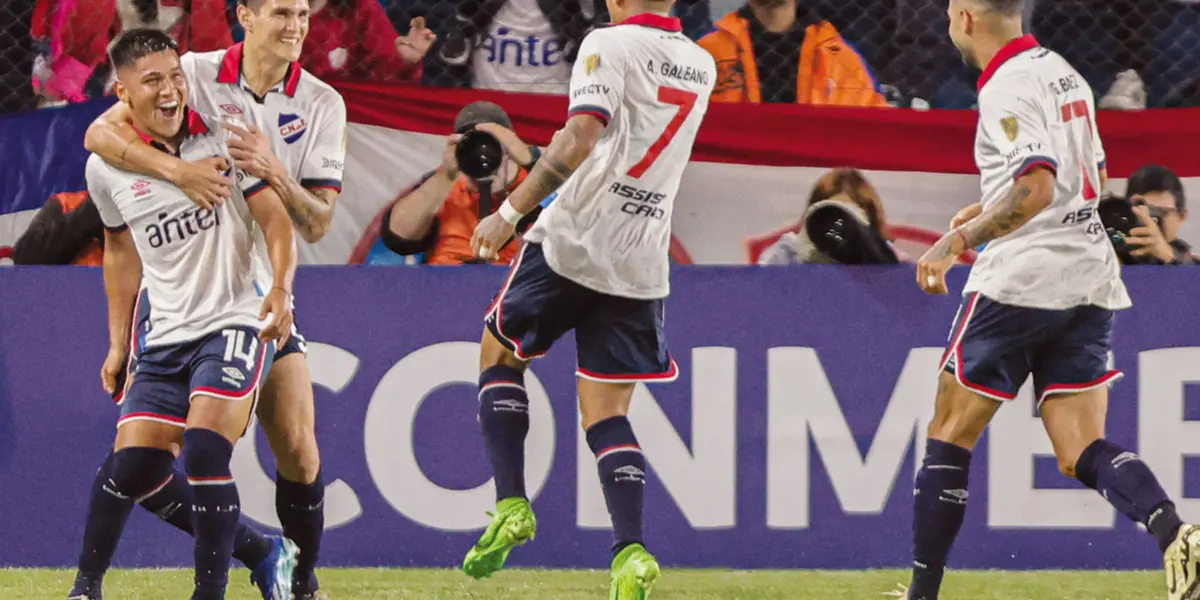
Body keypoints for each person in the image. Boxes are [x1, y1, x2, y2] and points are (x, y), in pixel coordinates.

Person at [906, 1, 1200, 599]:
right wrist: (988, 205)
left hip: (1023, 279)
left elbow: (1037, 187)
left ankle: (921, 595)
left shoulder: (1005, 87)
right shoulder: (1061, 70)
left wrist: (958, 239)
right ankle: (1177, 535)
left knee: (949, 430)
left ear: (965, 17)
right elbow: (1073, 175)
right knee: (1079, 448)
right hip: (1087, 278)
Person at [82, 2, 347, 597]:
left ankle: (301, 583)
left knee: (300, 454)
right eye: (281, 11)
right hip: (186, 306)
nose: (296, 25)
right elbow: (100, 133)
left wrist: (274, 171)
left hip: (256, 295)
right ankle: (259, 555)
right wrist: (178, 175)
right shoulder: (195, 71)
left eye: (303, 13)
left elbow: (317, 223)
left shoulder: (324, 103)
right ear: (244, 16)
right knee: (148, 461)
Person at [463, 0, 715, 597]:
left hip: (575, 241)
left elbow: (581, 136)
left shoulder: (610, 43)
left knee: (499, 355)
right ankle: (630, 550)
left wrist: (508, 212)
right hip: (641, 260)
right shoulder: (701, 64)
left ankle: (511, 504)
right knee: (607, 414)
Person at [380, 101, 544, 265]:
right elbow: (398, 238)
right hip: (449, 279)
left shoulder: (538, 180)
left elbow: (565, 208)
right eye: (473, 145)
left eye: (491, 144)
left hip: (516, 281)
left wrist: (529, 160)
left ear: (509, 148)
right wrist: (446, 175)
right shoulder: (445, 185)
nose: (482, 153)